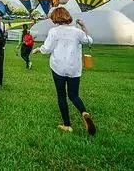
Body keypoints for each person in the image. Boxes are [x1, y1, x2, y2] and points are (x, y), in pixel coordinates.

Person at [32, 7, 96, 135]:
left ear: (55, 18)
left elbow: (47, 48)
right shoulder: (77, 32)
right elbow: (89, 40)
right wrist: (83, 26)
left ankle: (67, 125)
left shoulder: (54, 32)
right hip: (74, 68)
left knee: (61, 95)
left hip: (58, 67)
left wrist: (38, 49)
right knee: (74, 95)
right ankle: (84, 112)